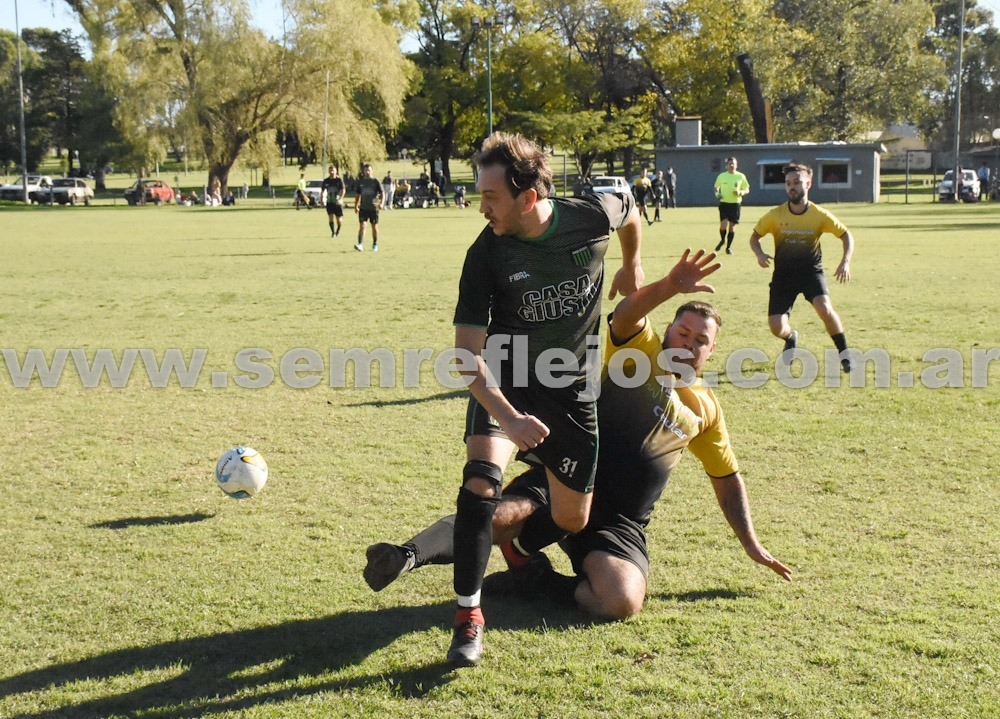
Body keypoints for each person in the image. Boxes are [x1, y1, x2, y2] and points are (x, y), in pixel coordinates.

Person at [364, 250, 791, 621]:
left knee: (620, 600)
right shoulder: (637, 352)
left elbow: (727, 479)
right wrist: (670, 285)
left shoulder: (707, 410)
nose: (689, 343)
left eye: (701, 340)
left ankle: (533, 581)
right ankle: (404, 556)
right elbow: (625, 315)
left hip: (620, 520)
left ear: (711, 350)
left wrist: (752, 546)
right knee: (497, 516)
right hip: (565, 480)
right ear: (669, 330)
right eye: (683, 332)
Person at [434, 131, 643, 667]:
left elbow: (631, 207)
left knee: (573, 519)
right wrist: (510, 417)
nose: (482, 208)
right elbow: (465, 357)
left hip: (571, 390)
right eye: (480, 195)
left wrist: (632, 264)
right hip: (505, 379)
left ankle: (517, 552)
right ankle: (468, 618)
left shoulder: (589, 216)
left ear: (529, 197)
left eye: (491, 198)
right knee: (480, 481)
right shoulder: (486, 254)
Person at [748, 163, 855, 374]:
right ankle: (791, 336)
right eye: (788, 183)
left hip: (810, 273)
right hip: (783, 277)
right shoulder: (775, 216)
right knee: (776, 327)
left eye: (796, 182)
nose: (792, 187)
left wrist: (846, 261)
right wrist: (759, 254)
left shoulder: (819, 215)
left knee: (824, 308)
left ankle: (845, 356)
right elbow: (754, 237)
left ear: (808, 183)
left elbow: (845, 235)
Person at [714, 157, 750, 254]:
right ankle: (722, 240)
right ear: (726, 166)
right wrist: (717, 194)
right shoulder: (721, 176)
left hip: (735, 204)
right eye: (730, 164)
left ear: (736, 165)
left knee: (732, 226)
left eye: (733, 164)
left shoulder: (741, 176)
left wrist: (740, 192)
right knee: (723, 224)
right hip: (724, 203)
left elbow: (747, 189)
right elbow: (716, 187)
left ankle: (728, 248)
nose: (731, 165)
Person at [354, 164, 383, 251]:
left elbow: (382, 193)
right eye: (366, 170)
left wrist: (381, 203)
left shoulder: (375, 181)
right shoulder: (361, 182)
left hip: (373, 208)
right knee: (362, 225)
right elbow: (358, 195)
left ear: (372, 171)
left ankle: (375, 244)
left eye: (369, 170)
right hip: (363, 208)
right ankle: (360, 244)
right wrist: (356, 206)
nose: (367, 172)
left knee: (374, 227)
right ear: (363, 171)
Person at [321, 165, 346, 237]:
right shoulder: (326, 181)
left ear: (336, 171)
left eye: (333, 171)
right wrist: (322, 200)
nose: (332, 172)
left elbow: (343, 190)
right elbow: (322, 191)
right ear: (329, 171)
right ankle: (333, 232)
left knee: (339, 220)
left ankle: (338, 230)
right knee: (330, 217)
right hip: (329, 202)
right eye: (330, 171)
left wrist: (341, 198)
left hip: (338, 203)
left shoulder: (339, 180)